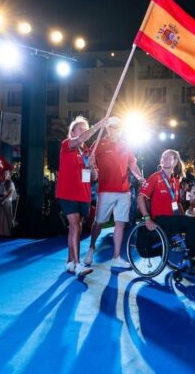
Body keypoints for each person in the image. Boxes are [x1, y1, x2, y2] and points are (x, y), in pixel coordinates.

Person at [138, 149, 195, 276]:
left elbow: (176, 204)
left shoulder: (175, 181)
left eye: (168, 157)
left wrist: (185, 217)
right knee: (194, 223)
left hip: (173, 219)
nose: (165, 159)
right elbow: (140, 198)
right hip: (160, 219)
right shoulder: (155, 177)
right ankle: (192, 258)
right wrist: (146, 218)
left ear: (175, 162)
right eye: (163, 157)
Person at [85, 116, 144, 269]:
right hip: (105, 191)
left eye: (117, 127)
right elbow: (88, 164)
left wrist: (139, 177)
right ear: (107, 128)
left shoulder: (126, 146)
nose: (114, 130)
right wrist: (90, 163)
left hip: (124, 191)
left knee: (120, 224)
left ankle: (116, 257)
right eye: (111, 127)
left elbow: (132, 163)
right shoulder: (99, 144)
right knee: (99, 223)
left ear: (121, 129)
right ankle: (91, 248)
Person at [56, 116, 106, 275]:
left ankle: (69, 261)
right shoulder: (67, 144)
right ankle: (78, 265)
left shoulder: (87, 152)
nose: (85, 132)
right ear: (72, 132)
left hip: (83, 195)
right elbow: (79, 139)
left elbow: (94, 177)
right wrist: (98, 125)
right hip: (68, 192)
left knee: (75, 228)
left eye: (86, 128)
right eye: (81, 129)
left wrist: (91, 166)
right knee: (75, 225)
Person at [0, 169, 16, 237]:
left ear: (9, 175)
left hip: (7, 200)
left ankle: (8, 232)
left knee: (7, 216)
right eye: (4, 173)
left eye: (6, 174)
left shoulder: (10, 183)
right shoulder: (0, 182)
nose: (5, 175)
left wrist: (4, 200)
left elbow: (11, 193)